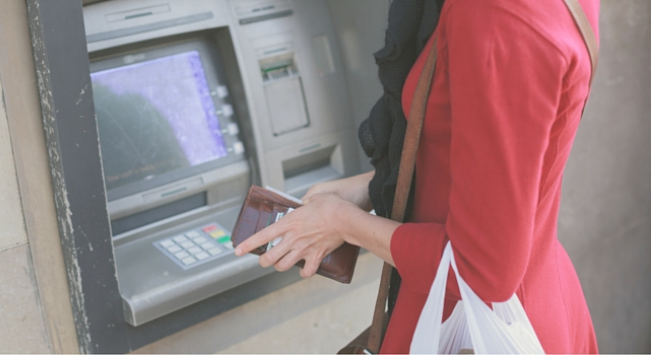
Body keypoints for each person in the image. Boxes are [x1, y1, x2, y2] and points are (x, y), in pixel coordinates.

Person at [235, 0, 600, 353]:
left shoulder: (498, 16)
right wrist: (369, 188)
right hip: (526, 293)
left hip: (475, 329)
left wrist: (341, 222)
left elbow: (481, 271)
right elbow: (503, 164)